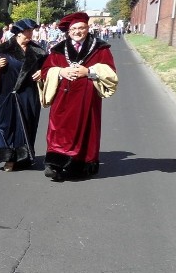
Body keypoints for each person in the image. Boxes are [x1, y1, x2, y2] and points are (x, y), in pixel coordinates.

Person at [39, 11, 118, 182]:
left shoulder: (100, 49)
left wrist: (89, 71)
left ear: (87, 28)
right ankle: (55, 165)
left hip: (87, 99)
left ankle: (80, 165)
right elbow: (45, 71)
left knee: (86, 128)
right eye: (73, 28)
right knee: (57, 128)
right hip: (63, 99)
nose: (77, 31)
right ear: (68, 31)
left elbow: (111, 72)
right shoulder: (58, 50)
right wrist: (60, 71)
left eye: (81, 28)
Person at [0, 18, 45, 171]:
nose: (30, 34)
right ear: (18, 33)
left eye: (31, 31)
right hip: (4, 95)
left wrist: (43, 72)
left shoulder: (38, 52)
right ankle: (8, 158)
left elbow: (48, 68)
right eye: (27, 31)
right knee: (3, 126)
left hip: (28, 95)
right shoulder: (3, 50)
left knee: (25, 125)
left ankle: (23, 157)